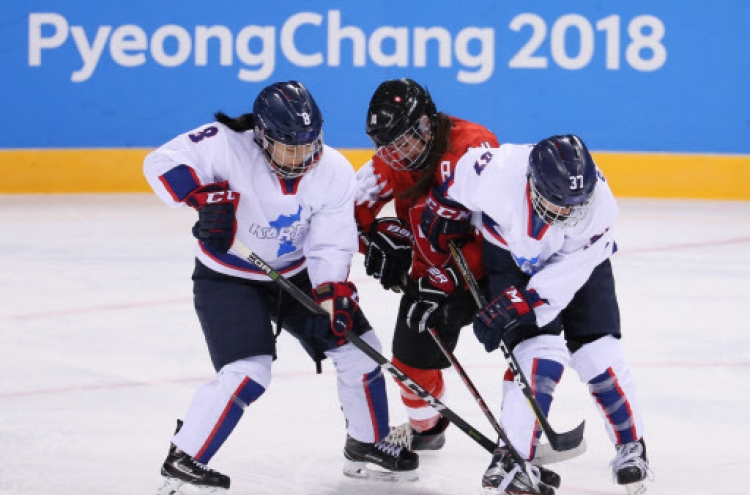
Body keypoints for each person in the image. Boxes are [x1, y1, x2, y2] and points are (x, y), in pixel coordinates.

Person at [143, 80, 418, 495]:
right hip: (228, 277)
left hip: (298, 274)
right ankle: (185, 456)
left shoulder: (334, 171)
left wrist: (332, 292)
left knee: (361, 348)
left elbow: (329, 242)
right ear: (262, 136)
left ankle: (366, 442)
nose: (301, 155)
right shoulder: (224, 144)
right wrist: (204, 198)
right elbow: (160, 163)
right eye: (289, 146)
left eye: (309, 144)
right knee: (249, 371)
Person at [420, 134, 654, 495]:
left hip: (580, 264)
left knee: (597, 352)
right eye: (558, 203)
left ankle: (631, 446)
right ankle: (513, 456)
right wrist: (442, 206)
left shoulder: (601, 210)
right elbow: (455, 182)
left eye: (577, 203)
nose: (568, 212)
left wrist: (526, 299)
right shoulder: (497, 172)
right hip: (508, 255)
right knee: (537, 354)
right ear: (531, 183)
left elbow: (566, 279)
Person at [354, 77, 500, 451]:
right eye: (389, 146)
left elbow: (501, 231)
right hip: (430, 277)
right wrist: (373, 240)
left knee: (525, 345)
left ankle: (524, 429)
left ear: (427, 122)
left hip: (485, 273)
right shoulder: (391, 161)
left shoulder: (473, 148)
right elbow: (343, 213)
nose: (399, 154)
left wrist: (453, 275)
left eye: (405, 140)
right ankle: (427, 430)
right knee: (408, 369)